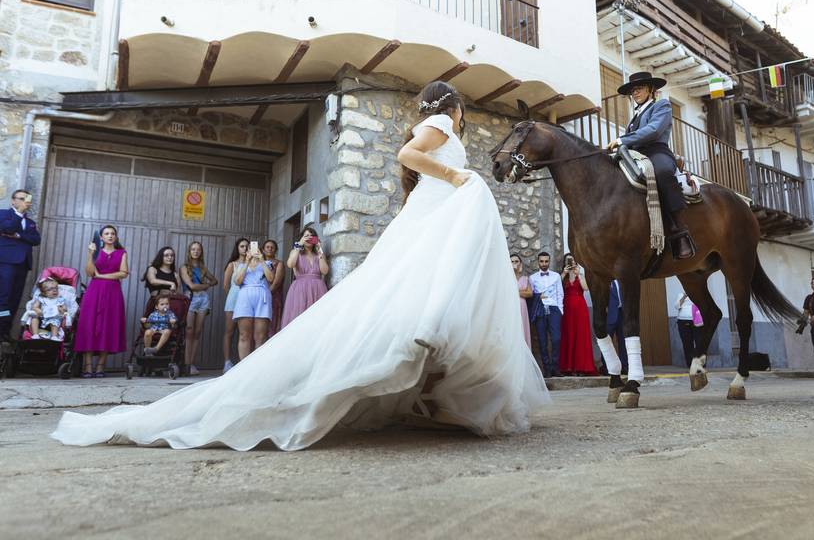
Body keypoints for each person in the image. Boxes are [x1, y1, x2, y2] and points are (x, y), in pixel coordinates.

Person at [51, 80, 549, 450]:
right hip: (440, 212)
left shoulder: (438, 132)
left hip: (434, 218)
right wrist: (458, 177)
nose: (460, 123)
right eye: (461, 115)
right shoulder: (442, 124)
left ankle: (431, 388)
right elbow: (407, 153)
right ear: (455, 109)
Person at [605, 71, 694, 259]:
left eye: (639, 88)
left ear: (651, 89)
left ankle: (680, 232)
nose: (635, 93)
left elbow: (653, 131)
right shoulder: (634, 117)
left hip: (656, 151)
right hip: (635, 154)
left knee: (662, 173)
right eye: (633, 90)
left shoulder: (662, 105)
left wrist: (622, 140)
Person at [74, 226, 128, 378]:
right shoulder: (96, 251)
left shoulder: (121, 253)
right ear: (102, 237)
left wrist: (103, 276)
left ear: (116, 237)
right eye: (107, 234)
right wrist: (90, 254)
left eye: (113, 233)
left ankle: (100, 367)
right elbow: (90, 273)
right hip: (94, 292)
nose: (110, 236)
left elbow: (123, 273)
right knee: (90, 325)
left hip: (113, 293)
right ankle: (88, 365)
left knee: (108, 326)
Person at [0, 189, 41, 346]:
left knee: (14, 300)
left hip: (22, 264)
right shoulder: (3, 214)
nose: (25, 202)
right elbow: (8, 228)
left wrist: (19, 236)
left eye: (27, 199)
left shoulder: (30, 222)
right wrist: (18, 214)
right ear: (13, 201)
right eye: (21, 199)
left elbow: (36, 239)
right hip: (6, 262)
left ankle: (6, 332)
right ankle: (1, 330)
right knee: (4, 298)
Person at [179, 241, 218, 376]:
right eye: (193, 249)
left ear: (201, 252)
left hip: (202, 299)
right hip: (190, 298)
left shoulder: (202, 268)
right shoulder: (184, 267)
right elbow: (191, 286)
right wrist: (205, 286)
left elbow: (215, 280)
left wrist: (205, 284)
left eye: (198, 250)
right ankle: (186, 363)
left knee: (197, 331)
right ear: (189, 251)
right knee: (189, 331)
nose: (196, 251)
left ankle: (192, 363)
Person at [233, 240, 275, 360]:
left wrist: (261, 260)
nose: (253, 250)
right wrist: (246, 262)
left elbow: (271, 278)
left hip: (262, 298)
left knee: (260, 336)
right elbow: (237, 282)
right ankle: (243, 368)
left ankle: (257, 368)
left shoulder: (267, 263)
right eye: (250, 249)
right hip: (245, 298)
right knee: (244, 335)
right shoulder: (241, 265)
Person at [279, 226, 328, 329]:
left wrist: (320, 250)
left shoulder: (318, 254)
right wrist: (299, 245)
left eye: (312, 236)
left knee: (318, 322)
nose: (309, 238)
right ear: (301, 238)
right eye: (306, 236)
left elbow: (325, 271)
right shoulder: (295, 252)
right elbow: (290, 264)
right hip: (300, 289)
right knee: (298, 320)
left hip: (318, 289)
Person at [558, 254, 596, 375]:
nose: (571, 262)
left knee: (581, 336)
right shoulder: (562, 276)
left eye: (573, 260)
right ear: (565, 263)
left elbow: (586, 288)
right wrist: (564, 273)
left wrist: (579, 274)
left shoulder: (581, 274)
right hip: (566, 308)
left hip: (580, 308)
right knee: (568, 335)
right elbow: (554, 286)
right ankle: (568, 367)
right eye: (568, 260)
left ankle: (582, 367)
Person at [530, 251, 564, 377]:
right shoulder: (532, 278)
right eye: (542, 261)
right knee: (542, 340)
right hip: (540, 310)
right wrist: (538, 297)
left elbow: (560, 293)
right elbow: (531, 296)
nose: (544, 264)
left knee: (556, 339)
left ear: (549, 262)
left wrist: (560, 310)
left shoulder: (556, 276)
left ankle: (555, 367)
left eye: (546, 261)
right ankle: (547, 369)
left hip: (554, 309)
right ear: (538, 262)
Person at [221, 237, 249, 373]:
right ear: (237, 248)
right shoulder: (232, 265)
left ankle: (243, 361)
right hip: (233, 298)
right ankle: (227, 362)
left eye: (247, 246)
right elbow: (225, 285)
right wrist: (232, 296)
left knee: (244, 332)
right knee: (229, 331)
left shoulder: (253, 263)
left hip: (248, 299)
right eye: (242, 246)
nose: (244, 248)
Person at [140, 292, 177, 356]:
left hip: (164, 329)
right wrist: (145, 322)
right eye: (162, 304)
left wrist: (173, 321)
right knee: (147, 332)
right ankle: (147, 350)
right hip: (154, 329)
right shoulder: (153, 314)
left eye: (167, 304)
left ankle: (156, 348)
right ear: (157, 307)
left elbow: (174, 325)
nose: (165, 306)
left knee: (167, 331)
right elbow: (148, 325)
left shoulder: (170, 314)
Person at [675, 291, 705, 368]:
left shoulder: (698, 294)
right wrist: (684, 296)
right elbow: (677, 306)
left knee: (699, 343)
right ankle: (690, 365)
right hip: (683, 321)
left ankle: (701, 364)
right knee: (687, 344)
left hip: (696, 321)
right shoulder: (681, 294)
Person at [262, 240, 284, 338]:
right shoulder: (259, 263)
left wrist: (265, 295)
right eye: (267, 247)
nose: (270, 249)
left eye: (272, 247)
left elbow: (276, 283)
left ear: (276, 250)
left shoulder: (279, 264)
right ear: (263, 249)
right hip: (259, 298)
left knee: (272, 326)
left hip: (273, 297)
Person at [606, 280, 628, 375]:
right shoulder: (605, 281)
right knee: (607, 343)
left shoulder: (622, 281)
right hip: (609, 315)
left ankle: (625, 367)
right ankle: (608, 368)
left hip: (622, 314)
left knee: (623, 342)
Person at [511, 253, 532, 348]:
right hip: (510, 307)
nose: (515, 263)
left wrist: (515, 291)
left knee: (523, 329)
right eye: (512, 261)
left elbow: (530, 293)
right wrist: (522, 291)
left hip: (523, 308)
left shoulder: (525, 278)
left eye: (516, 261)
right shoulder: (506, 278)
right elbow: (505, 292)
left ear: (520, 263)